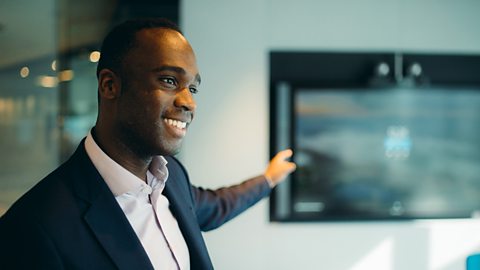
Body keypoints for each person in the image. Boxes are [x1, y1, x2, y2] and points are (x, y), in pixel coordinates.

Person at [0, 18, 296, 270]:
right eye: (169, 81)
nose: (189, 102)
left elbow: (216, 205)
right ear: (109, 86)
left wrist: (268, 178)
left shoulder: (172, 177)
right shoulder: (34, 226)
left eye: (192, 87)